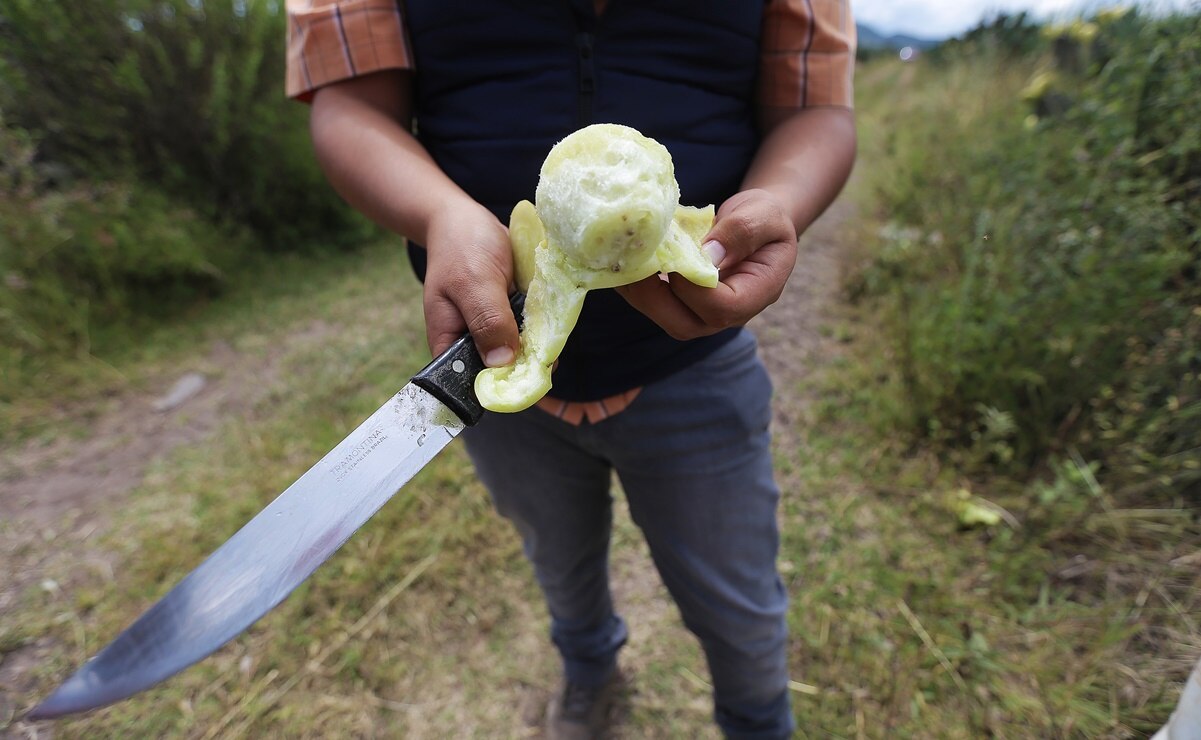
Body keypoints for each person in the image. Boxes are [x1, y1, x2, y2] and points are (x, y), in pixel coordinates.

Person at [285, 1, 856, 737]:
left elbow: (815, 111)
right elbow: (349, 107)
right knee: (559, 567)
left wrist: (777, 203)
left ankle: (756, 719)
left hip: (694, 370)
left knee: (737, 602)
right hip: (496, 366)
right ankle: (589, 675)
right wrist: (440, 215)